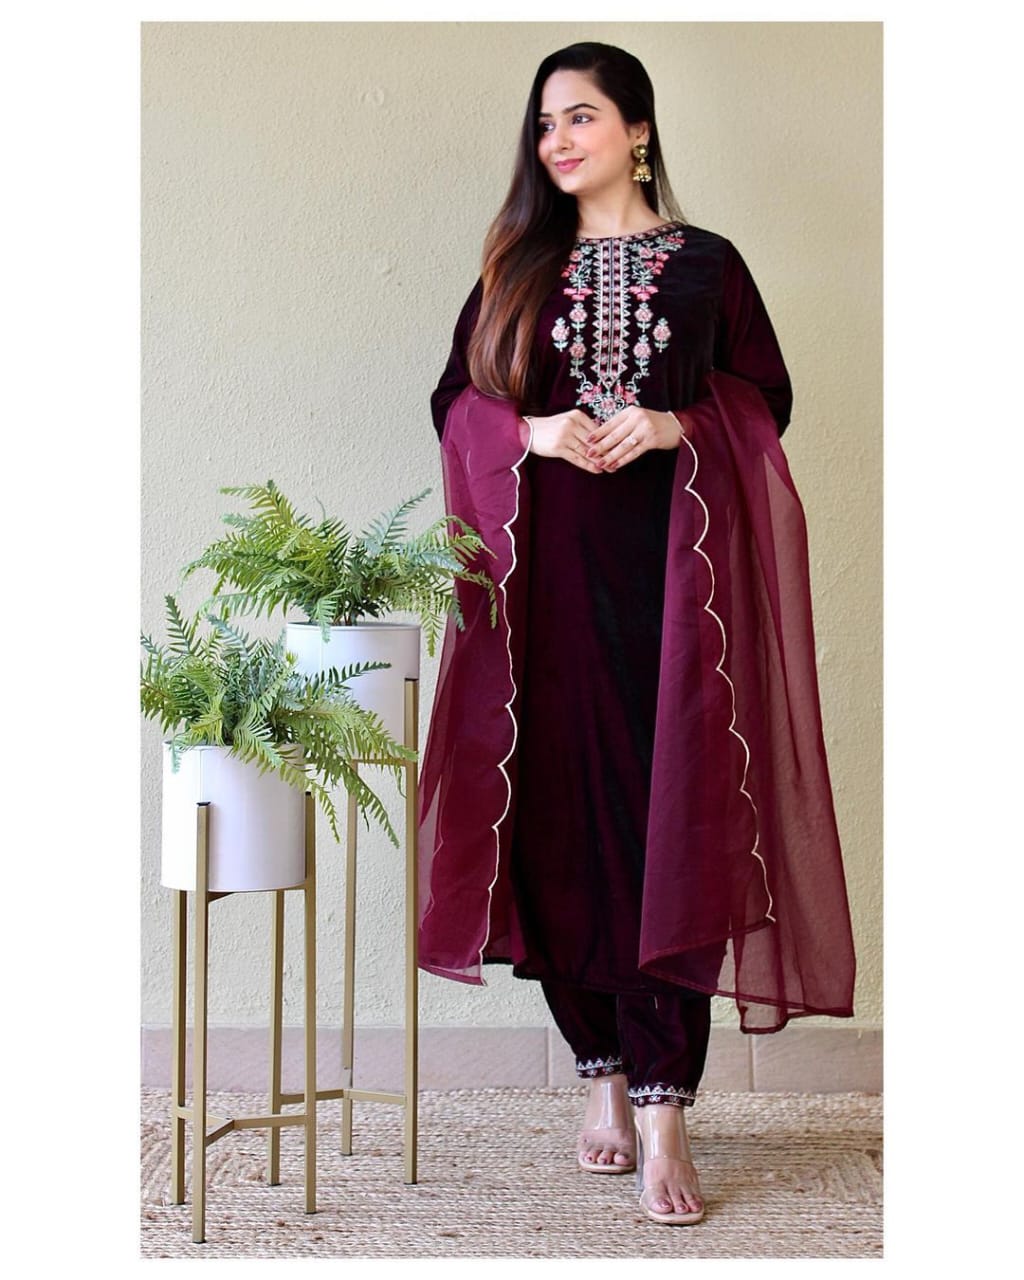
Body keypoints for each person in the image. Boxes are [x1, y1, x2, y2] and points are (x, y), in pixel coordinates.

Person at [418, 41, 856, 1228]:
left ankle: (666, 1102)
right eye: (544, 124)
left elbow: (763, 398)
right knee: (559, 817)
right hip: (546, 587)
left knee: (673, 820)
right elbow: (455, 400)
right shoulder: (519, 266)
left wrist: (677, 424)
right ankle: (602, 1072)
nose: (556, 141)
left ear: (638, 129)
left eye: (580, 117)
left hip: (673, 586)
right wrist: (531, 434)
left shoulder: (708, 265)